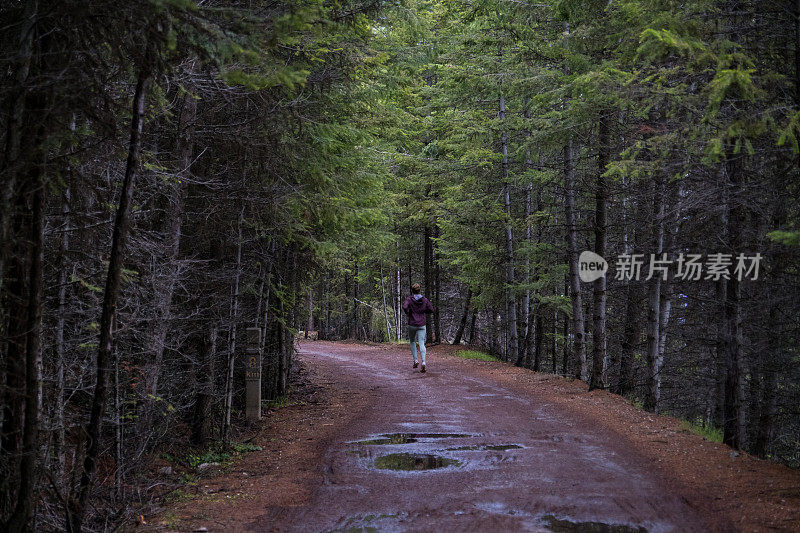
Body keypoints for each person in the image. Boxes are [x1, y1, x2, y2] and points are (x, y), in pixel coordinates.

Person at [402, 283, 434, 373]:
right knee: (421, 343)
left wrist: (408, 313)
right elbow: (431, 309)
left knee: (412, 341)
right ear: (420, 290)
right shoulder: (425, 300)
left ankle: (415, 360)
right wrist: (423, 311)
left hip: (412, 323)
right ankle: (423, 362)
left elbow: (404, 306)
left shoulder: (409, 299)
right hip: (421, 324)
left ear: (412, 291)